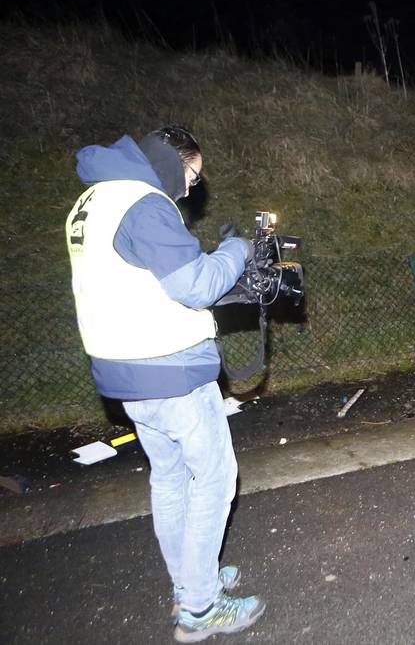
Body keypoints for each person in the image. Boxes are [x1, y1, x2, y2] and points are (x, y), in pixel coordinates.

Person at [65, 126, 266, 642]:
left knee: (171, 479)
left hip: (125, 371)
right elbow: (194, 285)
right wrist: (238, 250)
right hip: (170, 369)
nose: (191, 188)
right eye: (192, 175)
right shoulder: (144, 201)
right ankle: (200, 608)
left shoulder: (92, 200)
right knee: (216, 480)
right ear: (172, 162)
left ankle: (189, 582)